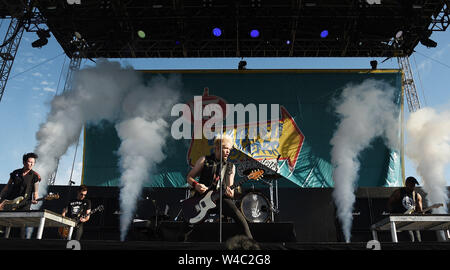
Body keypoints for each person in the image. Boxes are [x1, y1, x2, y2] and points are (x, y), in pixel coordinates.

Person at [184, 134, 253, 241]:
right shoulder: (204, 160)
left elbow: (231, 190)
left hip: (221, 198)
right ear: (217, 148)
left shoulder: (231, 166)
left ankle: (251, 244)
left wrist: (231, 193)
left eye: (229, 149)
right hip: (202, 197)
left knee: (239, 217)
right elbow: (189, 177)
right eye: (225, 148)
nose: (228, 151)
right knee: (188, 222)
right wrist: (196, 185)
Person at [387, 176, 423, 242]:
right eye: (411, 184)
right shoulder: (399, 192)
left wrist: (420, 213)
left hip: (413, 221)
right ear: (406, 184)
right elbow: (390, 203)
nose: (413, 186)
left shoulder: (417, 195)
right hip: (402, 220)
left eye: (414, 184)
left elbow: (420, 211)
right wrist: (394, 215)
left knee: (418, 240)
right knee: (410, 239)